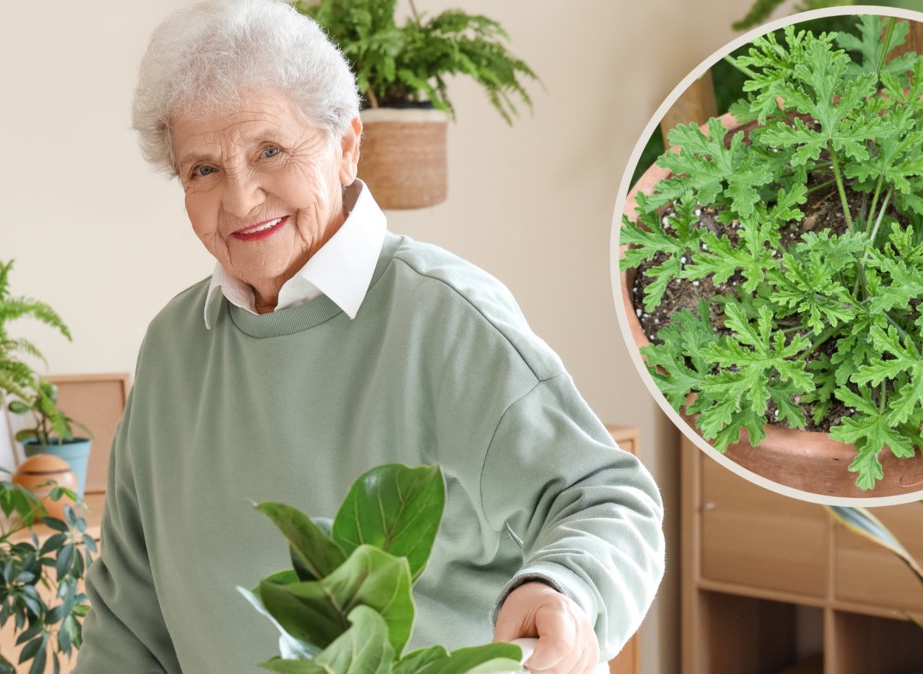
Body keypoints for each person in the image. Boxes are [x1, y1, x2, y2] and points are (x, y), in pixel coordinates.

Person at [74, 1, 664, 672]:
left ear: (346, 145)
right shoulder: (174, 350)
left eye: (270, 150)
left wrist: (565, 589)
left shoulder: (442, 318)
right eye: (203, 170)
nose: (240, 199)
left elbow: (607, 497)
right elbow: (127, 628)